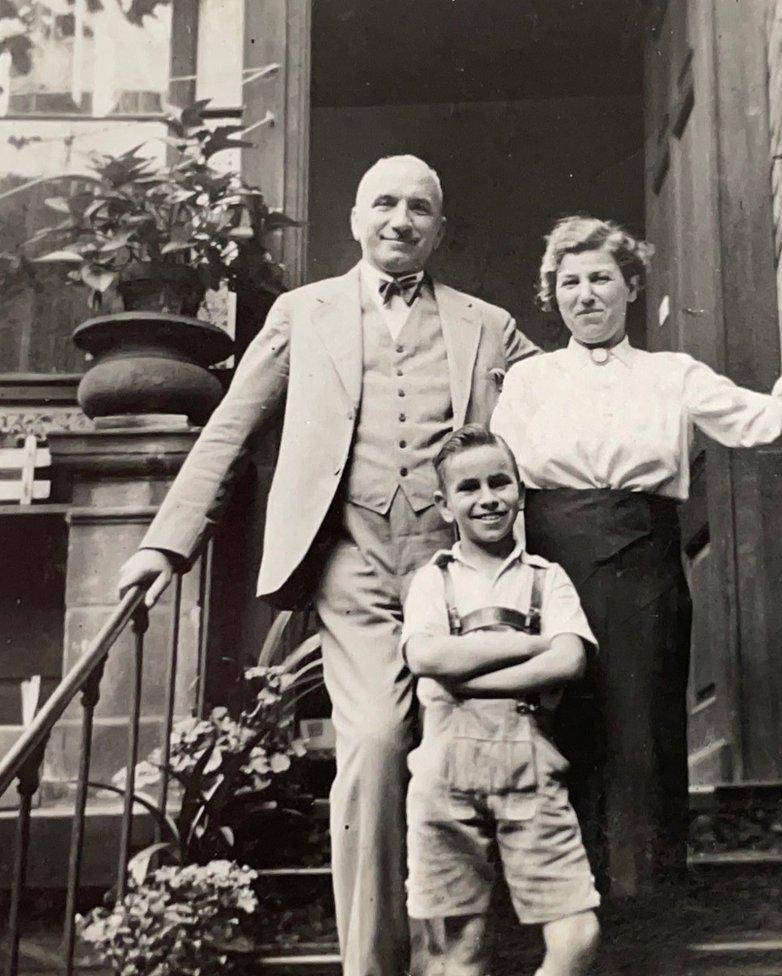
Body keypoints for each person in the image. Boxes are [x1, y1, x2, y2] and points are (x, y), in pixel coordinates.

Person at [117, 155, 538, 976]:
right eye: (384, 202)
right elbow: (233, 428)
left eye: (420, 208)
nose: (401, 220)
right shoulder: (301, 314)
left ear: (440, 230)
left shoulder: (488, 324)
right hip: (353, 563)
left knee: (468, 758)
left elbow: (558, 405)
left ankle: (457, 961)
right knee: (376, 749)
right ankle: (371, 965)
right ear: (355, 218)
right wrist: (162, 543)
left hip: (459, 573)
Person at [490, 215, 782, 898]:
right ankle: (566, 920)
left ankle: (647, 928)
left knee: (644, 736)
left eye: (600, 278)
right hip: (551, 568)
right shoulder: (530, 383)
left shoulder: (672, 374)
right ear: (552, 294)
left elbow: (766, 422)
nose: (585, 294)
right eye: (569, 282)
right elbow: (501, 481)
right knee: (563, 732)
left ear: (630, 286)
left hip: (643, 566)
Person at [401, 424, 600, 976]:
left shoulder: (547, 579)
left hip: (531, 771)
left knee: (578, 936)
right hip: (444, 779)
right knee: (457, 953)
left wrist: (473, 676)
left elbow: (568, 660)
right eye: (468, 488)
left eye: (499, 482)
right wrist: (527, 651)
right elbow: (427, 659)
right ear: (445, 506)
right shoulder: (432, 583)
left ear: (519, 491)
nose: (487, 498)